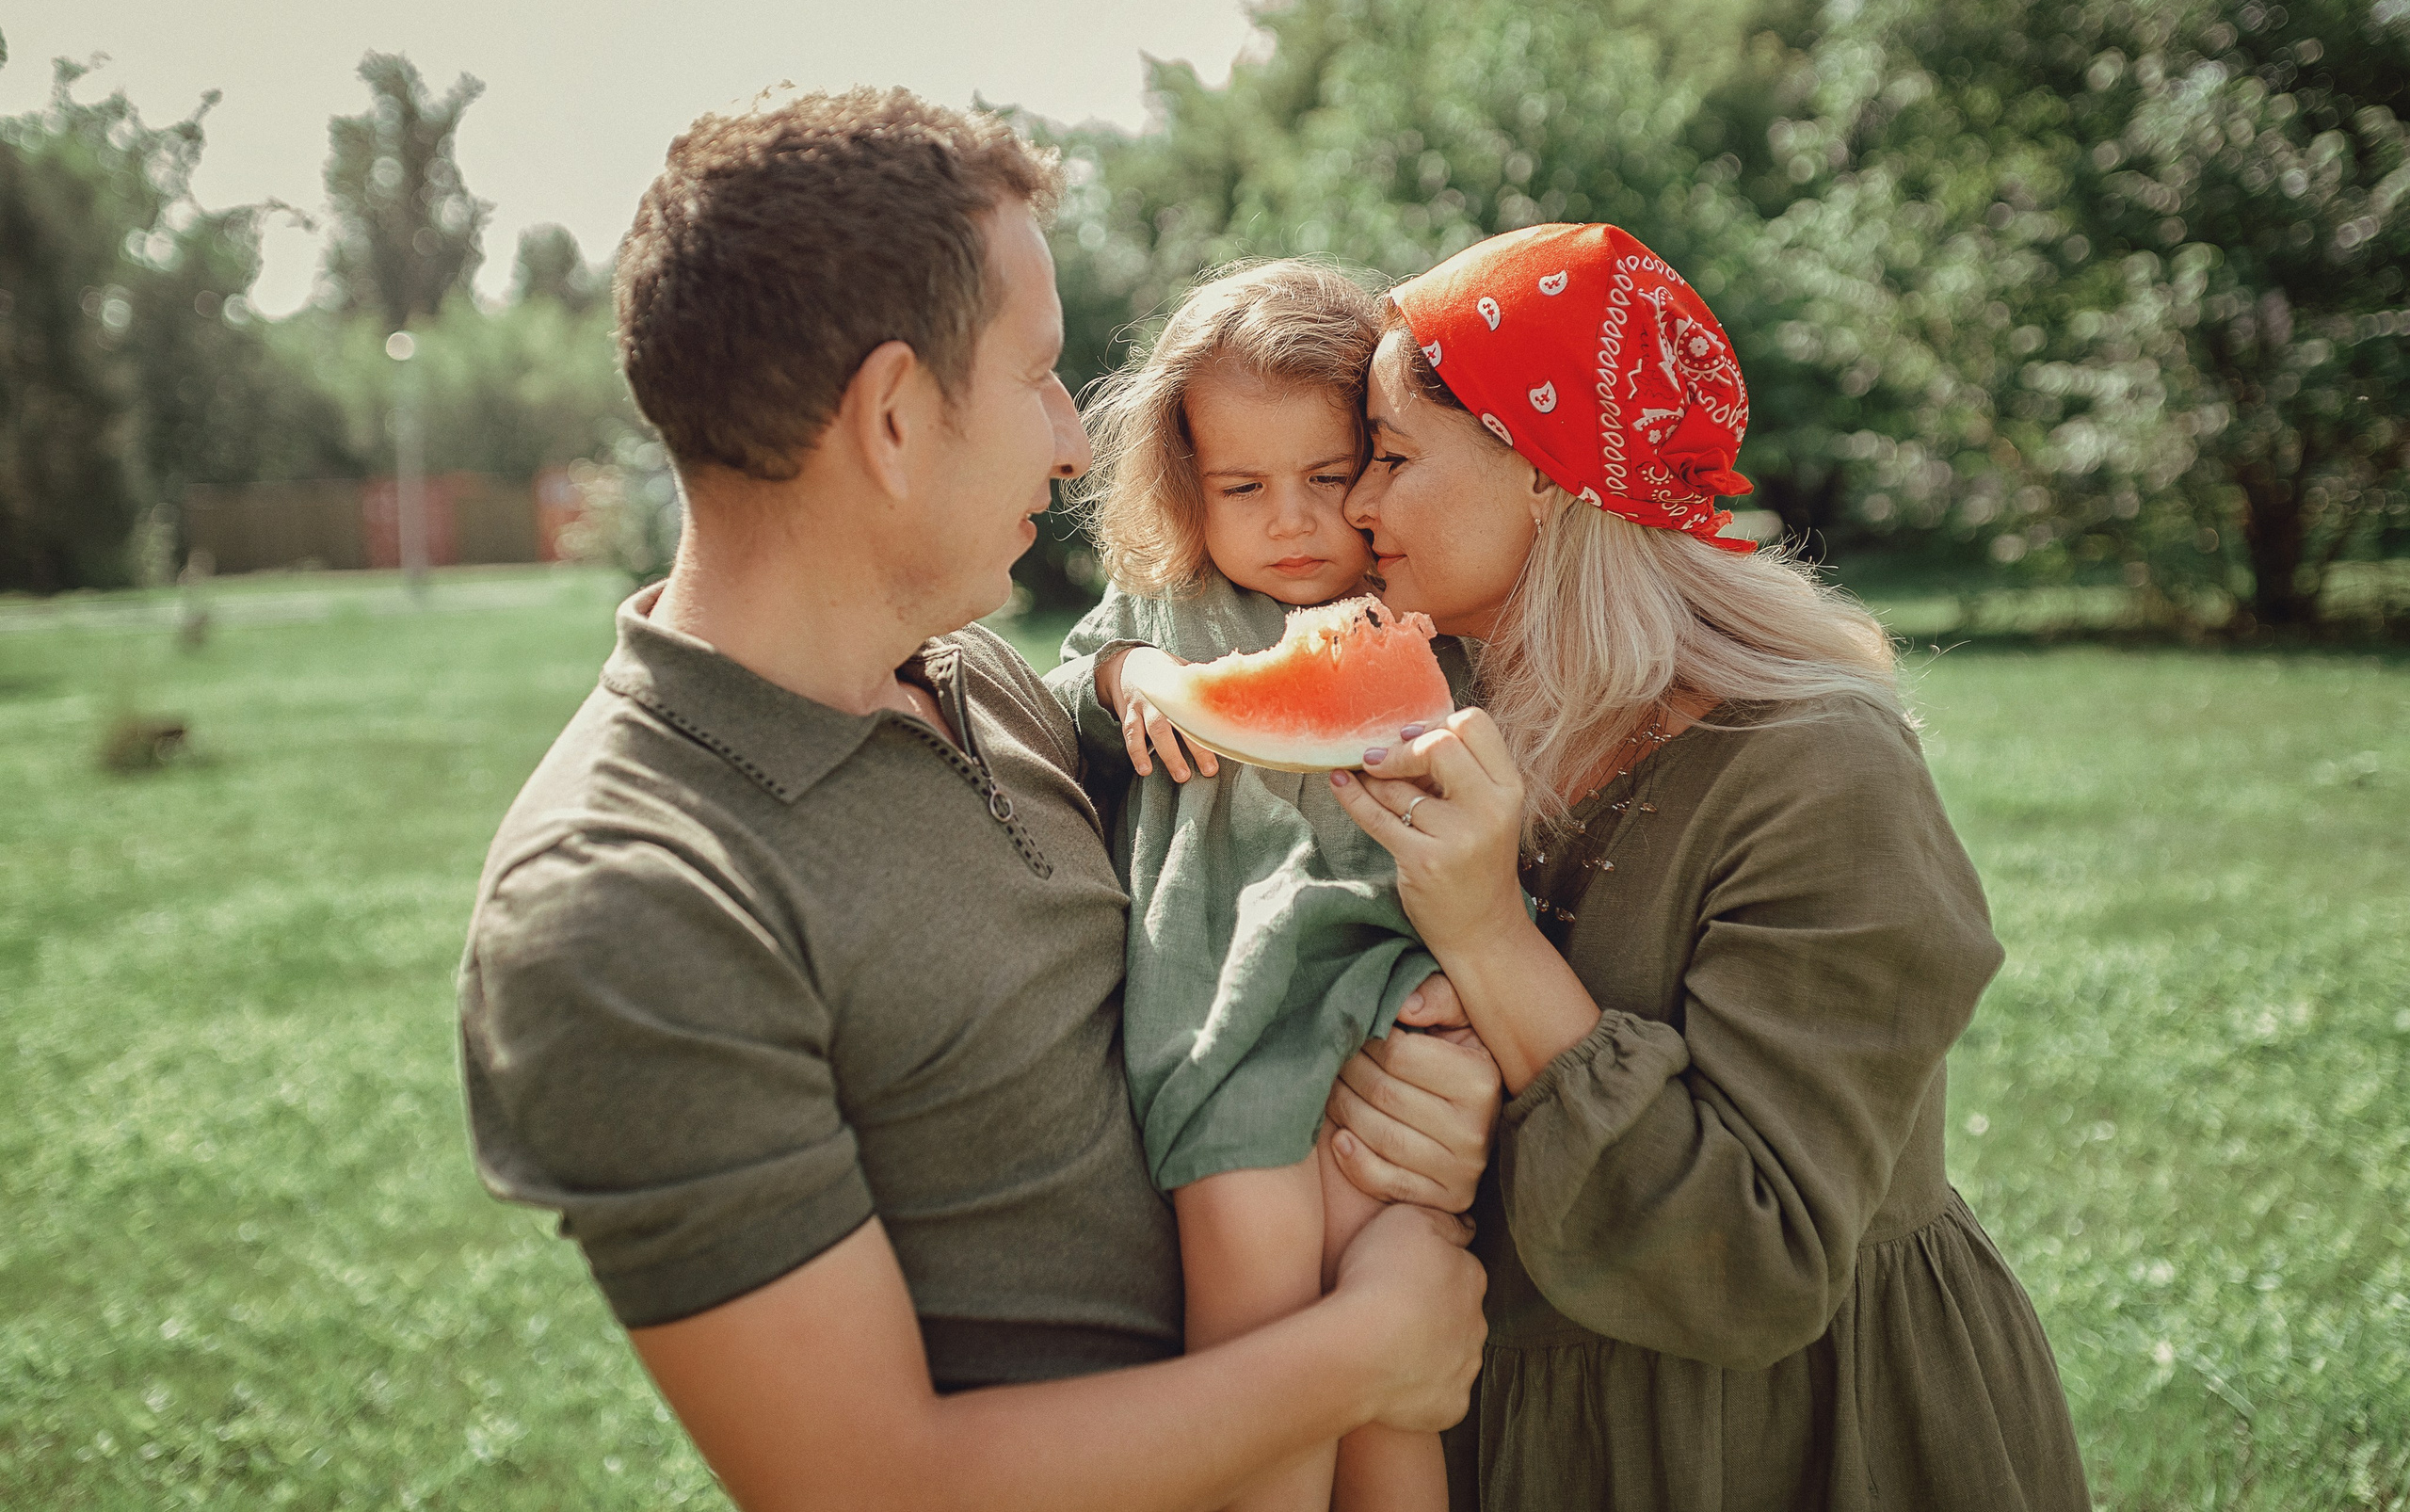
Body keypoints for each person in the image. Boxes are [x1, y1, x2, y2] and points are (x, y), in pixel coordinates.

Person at [456, 88, 1499, 1512]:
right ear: (895, 418)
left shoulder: (985, 681)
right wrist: (1367, 1354)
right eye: (1041, 376)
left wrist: (1409, 1087)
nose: (1075, 442)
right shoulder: (627, 905)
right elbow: (867, 1489)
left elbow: (1239, 944)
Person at [1318, 221, 2091, 1510]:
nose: (1355, 505)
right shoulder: (1438, 709)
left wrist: (1489, 937)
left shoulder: (1821, 775)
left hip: (1786, 1441)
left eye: (1392, 457)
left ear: (1546, 474)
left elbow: (1756, 1259)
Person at [1047, 259, 1468, 1512]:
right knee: (1265, 1362)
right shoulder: (1165, 612)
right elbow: (1074, 681)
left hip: (1391, 1032)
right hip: (1222, 1028)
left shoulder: (1422, 610)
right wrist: (1133, 679)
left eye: (1328, 479)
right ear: (1185, 483)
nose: (1290, 523)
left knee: (1395, 1392)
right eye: (1241, 488)